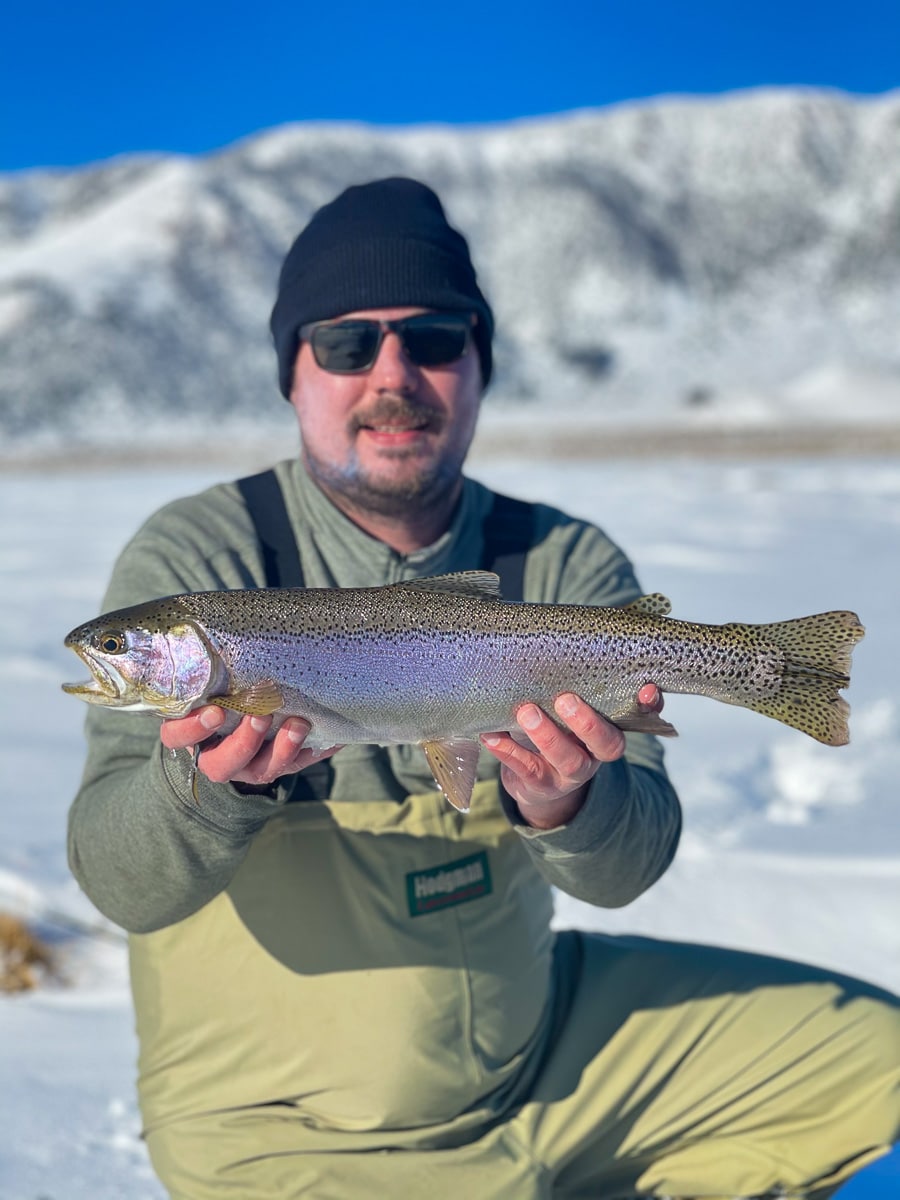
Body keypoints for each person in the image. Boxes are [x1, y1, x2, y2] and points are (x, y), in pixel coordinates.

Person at [68, 178, 899, 1200]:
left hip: (545, 1058)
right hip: (285, 1125)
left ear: (479, 364)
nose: (393, 375)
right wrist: (208, 792)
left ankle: (767, 667)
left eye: (433, 337)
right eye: (345, 344)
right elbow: (119, 881)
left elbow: (625, 868)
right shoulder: (203, 554)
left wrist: (571, 801)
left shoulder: (559, 559)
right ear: (291, 372)